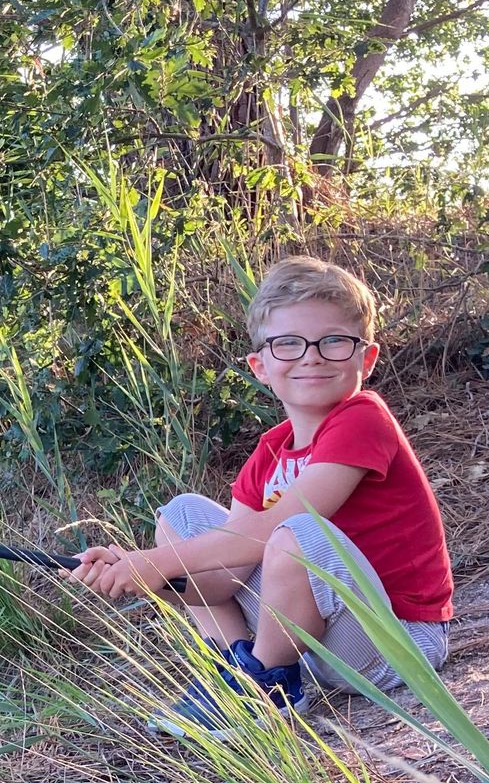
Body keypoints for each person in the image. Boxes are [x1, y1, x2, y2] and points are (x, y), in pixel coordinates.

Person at [70, 256, 454, 736]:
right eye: (288, 344)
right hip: (317, 643)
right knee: (183, 515)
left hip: (397, 644)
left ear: (367, 358)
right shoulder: (270, 452)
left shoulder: (362, 419)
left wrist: (157, 562)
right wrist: (147, 575)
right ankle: (237, 667)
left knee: (299, 530)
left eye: (334, 341)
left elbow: (278, 526)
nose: (311, 357)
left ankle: (266, 684)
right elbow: (222, 579)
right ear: (261, 366)